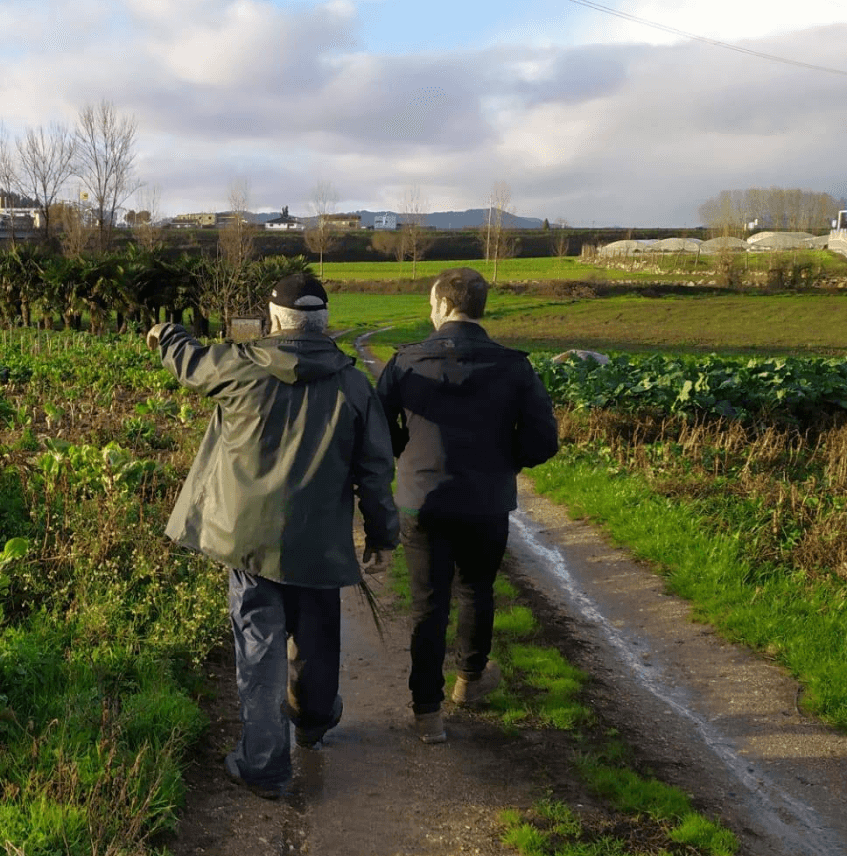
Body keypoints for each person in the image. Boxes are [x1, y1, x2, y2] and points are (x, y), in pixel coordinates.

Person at [147, 271, 399, 799]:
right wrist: (381, 536)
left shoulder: (241, 368)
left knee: (259, 649)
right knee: (318, 638)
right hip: (320, 544)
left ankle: (264, 766)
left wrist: (166, 333)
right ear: (324, 324)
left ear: (276, 320)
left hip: (249, 543)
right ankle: (310, 725)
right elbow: (375, 471)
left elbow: (188, 361)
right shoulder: (354, 386)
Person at [374, 267, 560, 744]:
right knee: (476, 589)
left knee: (427, 604)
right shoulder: (515, 366)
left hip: (422, 501)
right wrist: (506, 462)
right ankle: (470, 681)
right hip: (486, 500)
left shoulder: (406, 362)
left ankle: (427, 713)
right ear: (481, 308)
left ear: (439, 306)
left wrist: (405, 453)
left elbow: (377, 429)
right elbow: (543, 440)